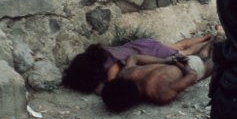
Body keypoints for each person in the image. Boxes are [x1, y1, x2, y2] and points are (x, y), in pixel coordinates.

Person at [62, 34, 214, 95]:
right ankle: (209, 36)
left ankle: (213, 40)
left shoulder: (110, 68)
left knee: (184, 53)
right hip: (142, 45)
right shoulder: (102, 52)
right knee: (178, 46)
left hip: (150, 54)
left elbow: (113, 85)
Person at [101, 34, 220, 112]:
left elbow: (192, 75)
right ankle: (216, 37)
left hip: (183, 64)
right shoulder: (127, 74)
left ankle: (217, 37)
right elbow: (133, 57)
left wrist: (174, 64)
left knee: (213, 58)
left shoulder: (159, 93)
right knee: (209, 54)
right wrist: (167, 61)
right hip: (177, 61)